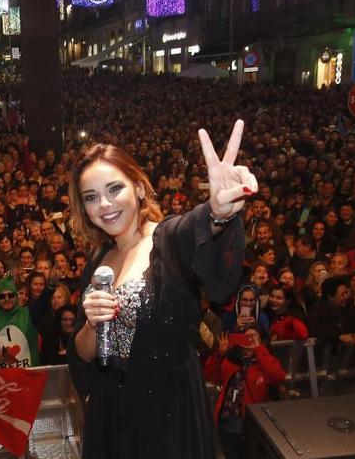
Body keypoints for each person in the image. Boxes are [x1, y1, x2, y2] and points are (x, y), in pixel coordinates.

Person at [67, 121, 255, 458]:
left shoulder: (168, 239)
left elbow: (196, 228)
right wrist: (93, 324)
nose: (105, 204)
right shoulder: (98, 261)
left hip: (168, 416)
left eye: (114, 189)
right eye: (92, 197)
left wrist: (219, 213)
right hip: (112, 416)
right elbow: (83, 354)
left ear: (138, 187)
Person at [204, 325, 285, 459]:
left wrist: (258, 349)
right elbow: (210, 375)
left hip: (253, 424)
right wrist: (219, 354)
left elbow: (277, 376)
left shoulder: (266, 361)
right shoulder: (230, 361)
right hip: (229, 419)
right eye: (246, 337)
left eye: (255, 337)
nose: (250, 340)